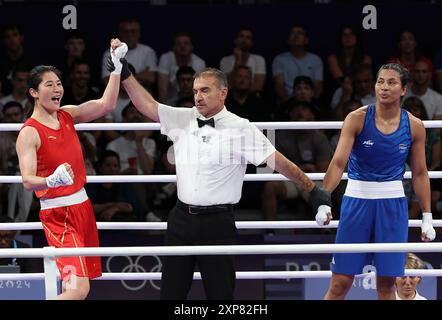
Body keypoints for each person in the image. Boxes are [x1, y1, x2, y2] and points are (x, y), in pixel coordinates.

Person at [105, 58, 331, 299]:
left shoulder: (241, 127)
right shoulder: (183, 117)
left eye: (205, 90)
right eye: (195, 91)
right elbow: (146, 104)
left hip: (217, 222)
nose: (198, 97)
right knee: (171, 293)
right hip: (180, 218)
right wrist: (126, 71)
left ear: (223, 93)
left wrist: (313, 190)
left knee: (220, 295)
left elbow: (280, 163)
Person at [15, 39, 128, 300]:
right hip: (59, 215)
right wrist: (51, 180)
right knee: (79, 289)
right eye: (49, 84)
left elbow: (106, 105)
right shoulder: (29, 133)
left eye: (59, 83)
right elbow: (28, 181)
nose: (57, 89)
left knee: (71, 287)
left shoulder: (66, 114)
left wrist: (117, 66)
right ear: (33, 92)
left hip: (83, 208)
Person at [315, 63, 436, 300]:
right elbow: (338, 163)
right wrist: (323, 201)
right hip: (356, 202)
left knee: (387, 287)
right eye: (380, 81)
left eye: (391, 82)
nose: (384, 87)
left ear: (403, 89)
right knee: (339, 283)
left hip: (392, 205)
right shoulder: (357, 118)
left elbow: (420, 173)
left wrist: (427, 216)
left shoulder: (414, 126)